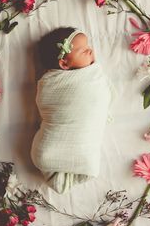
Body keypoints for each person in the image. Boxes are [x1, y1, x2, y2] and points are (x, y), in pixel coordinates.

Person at [31, 27, 113, 193]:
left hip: (53, 154)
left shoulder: (92, 77)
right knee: (85, 162)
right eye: (83, 51)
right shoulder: (51, 83)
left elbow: (101, 96)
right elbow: (46, 102)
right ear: (64, 63)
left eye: (88, 46)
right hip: (48, 150)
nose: (91, 50)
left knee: (87, 159)